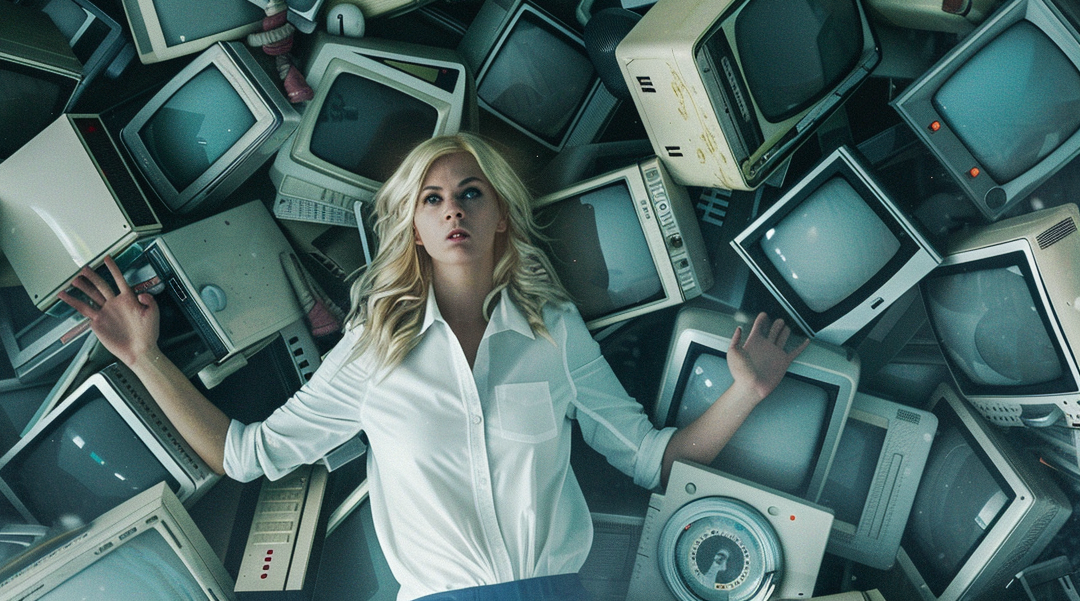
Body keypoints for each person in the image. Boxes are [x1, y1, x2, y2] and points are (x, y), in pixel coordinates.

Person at [60, 132, 807, 601]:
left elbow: (654, 460)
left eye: (471, 194)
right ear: (414, 226)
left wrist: (748, 391)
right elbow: (242, 455)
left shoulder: (556, 335)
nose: (454, 210)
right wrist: (145, 356)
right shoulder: (373, 349)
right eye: (434, 199)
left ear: (499, 215)